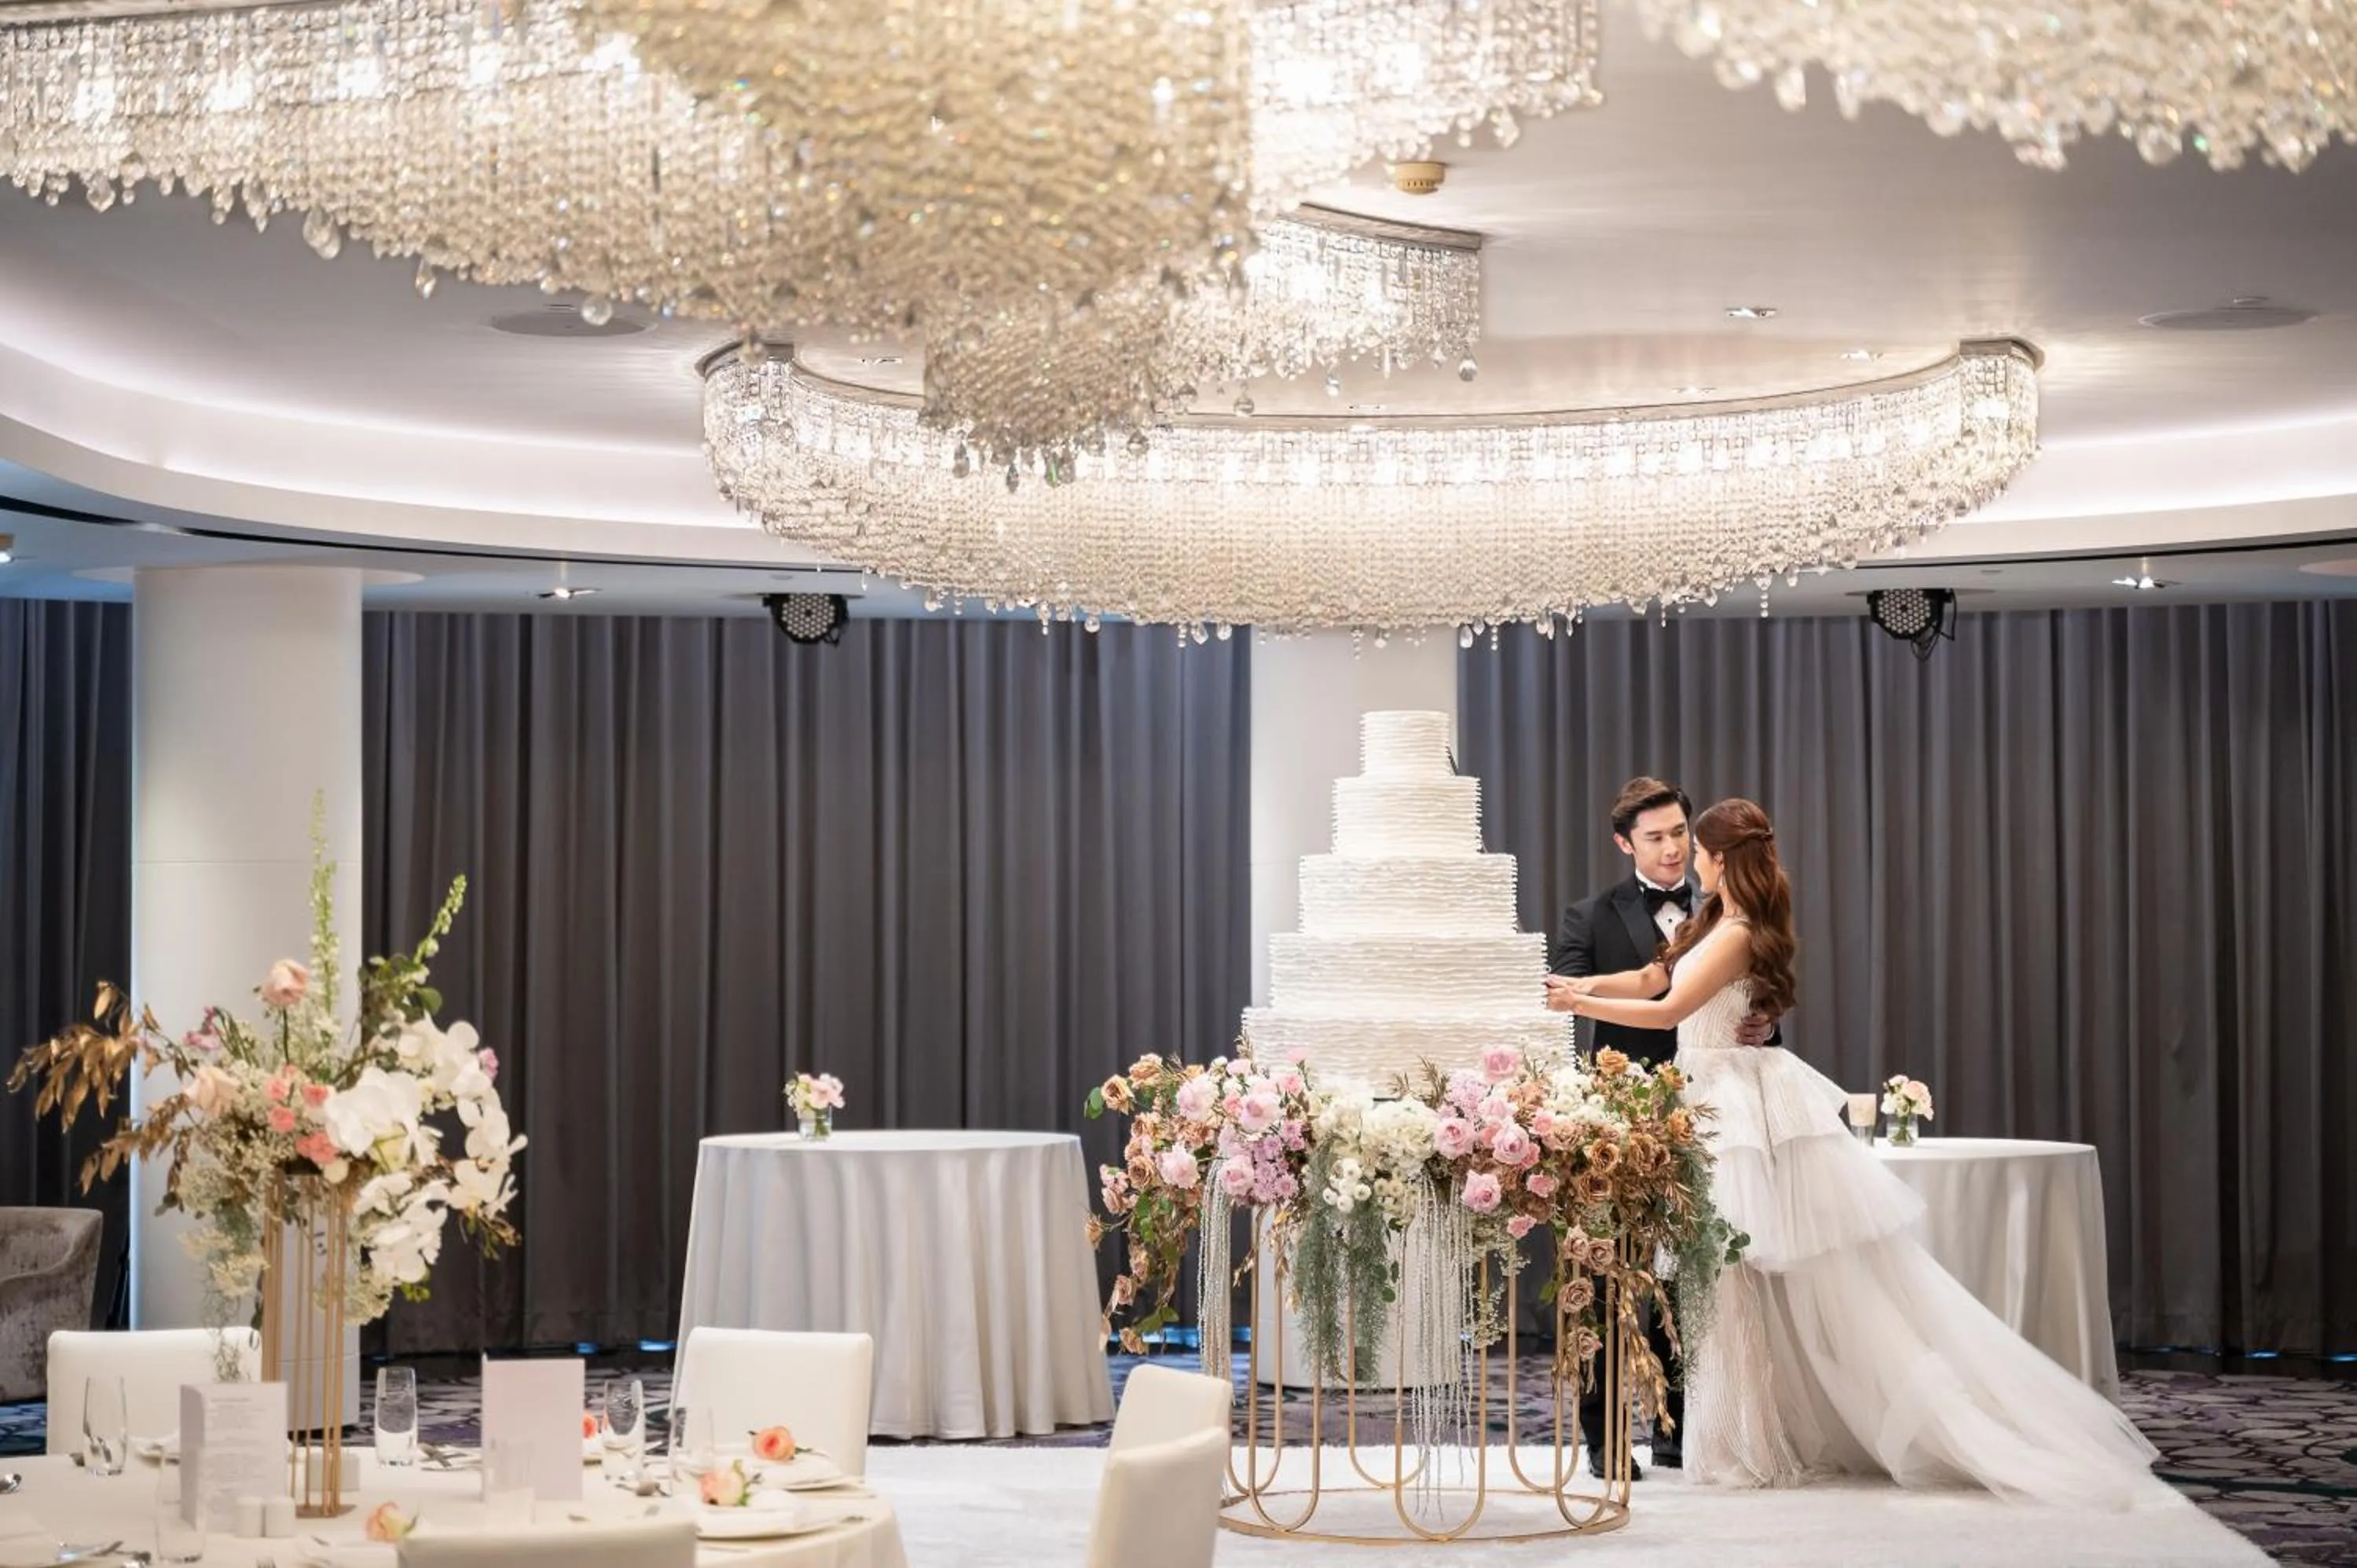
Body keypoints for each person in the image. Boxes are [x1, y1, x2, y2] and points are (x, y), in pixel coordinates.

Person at [1558, 799, 2158, 1506]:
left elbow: (1666, 1013)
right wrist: (1578, 986)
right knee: (1721, 1282)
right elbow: (1656, 980)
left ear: (1719, 858)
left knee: (1728, 1279)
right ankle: (1738, 1432)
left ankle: (1747, 1440)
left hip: (1729, 1105)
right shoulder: (1718, 919)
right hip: (1713, 1098)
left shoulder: (1737, 929)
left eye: (1695, 845)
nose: (1686, 855)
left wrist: (1575, 1007)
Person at [1544, 777, 1773, 1477]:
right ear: (1625, 844)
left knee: (1695, 1277)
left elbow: (1732, 995)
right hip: (1622, 1118)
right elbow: (1621, 988)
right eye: (1658, 836)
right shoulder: (1590, 915)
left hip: (1708, 1113)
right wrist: (1574, 991)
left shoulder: (1727, 911)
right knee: (1606, 1278)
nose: (1674, 848)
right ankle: (1605, 1440)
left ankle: (1683, 1428)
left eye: (1682, 833)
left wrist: (1765, 1022)